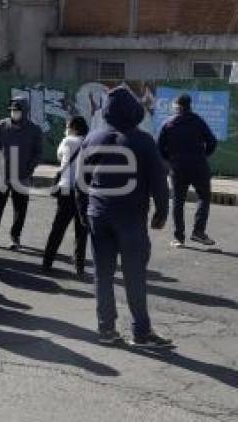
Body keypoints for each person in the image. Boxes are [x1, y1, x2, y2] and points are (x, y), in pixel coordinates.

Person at [79, 87, 172, 348]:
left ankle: (106, 329)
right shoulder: (143, 141)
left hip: (98, 215)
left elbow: (81, 183)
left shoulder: (92, 139)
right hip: (130, 218)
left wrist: (84, 213)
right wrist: (161, 213)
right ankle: (141, 332)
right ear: (135, 111)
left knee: (103, 275)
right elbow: (159, 183)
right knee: (134, 275)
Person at [156, 93, 217, 247]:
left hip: (178, 168)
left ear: (177, 106)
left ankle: (178, 238)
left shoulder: (168, 123)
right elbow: (212, 142)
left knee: (178, 201)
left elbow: (159, 148)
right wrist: (203, 155)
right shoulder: (198, 121)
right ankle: (198, 232)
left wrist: (170, 160)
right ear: (190, 106)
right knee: (204, 197)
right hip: (199, 166)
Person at [0, 96, 43, 250]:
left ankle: (15, 238)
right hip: (2, 175)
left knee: (20, 209)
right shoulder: (2, 125)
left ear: (25, 111)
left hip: (22, 176)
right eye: (12, 110)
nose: (14, 113)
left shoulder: (34, 129)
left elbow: (38, 153)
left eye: (17, 110)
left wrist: (30, 168)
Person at [43, 116, 90, 276]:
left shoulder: (67, 141)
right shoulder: (90, 142)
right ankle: (79, 266)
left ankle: (47, 262)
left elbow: (59, 156)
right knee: (81, 230)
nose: (66, 129)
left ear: (74, 128)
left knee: (58, 228)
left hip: (66, 190)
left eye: (68, 126)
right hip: (83, 191)